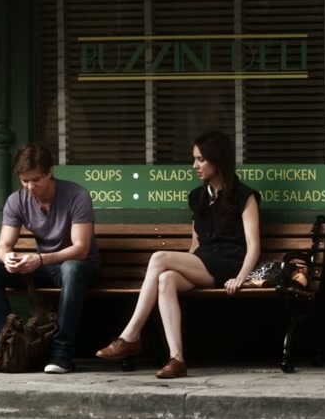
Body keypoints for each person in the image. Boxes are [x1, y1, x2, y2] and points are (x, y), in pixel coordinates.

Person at [95, 130, 261, 379]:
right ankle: (177, 359)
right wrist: (183, 266)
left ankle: (131, 335)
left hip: (229, 265)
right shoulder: (197, 197)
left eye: (201, 159)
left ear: (218, 160)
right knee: (166, 279)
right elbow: (195, 244)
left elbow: (253, 246)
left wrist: (241, 277)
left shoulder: (244, 196)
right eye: (194, 159)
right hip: (203, 262)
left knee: (159, 257)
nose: (195, 165)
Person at [0, 143, 100, 373]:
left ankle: (62, 354)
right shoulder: (16, 200)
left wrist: (40, 259)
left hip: (79, 269)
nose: (30, 187)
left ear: (50, 172)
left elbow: (81, 249)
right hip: (44, 268)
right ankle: (8, 350)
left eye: (36, 180)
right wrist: (8, 258)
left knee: (71, 268)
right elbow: (3, 245)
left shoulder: (77, 196)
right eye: (24, 181)